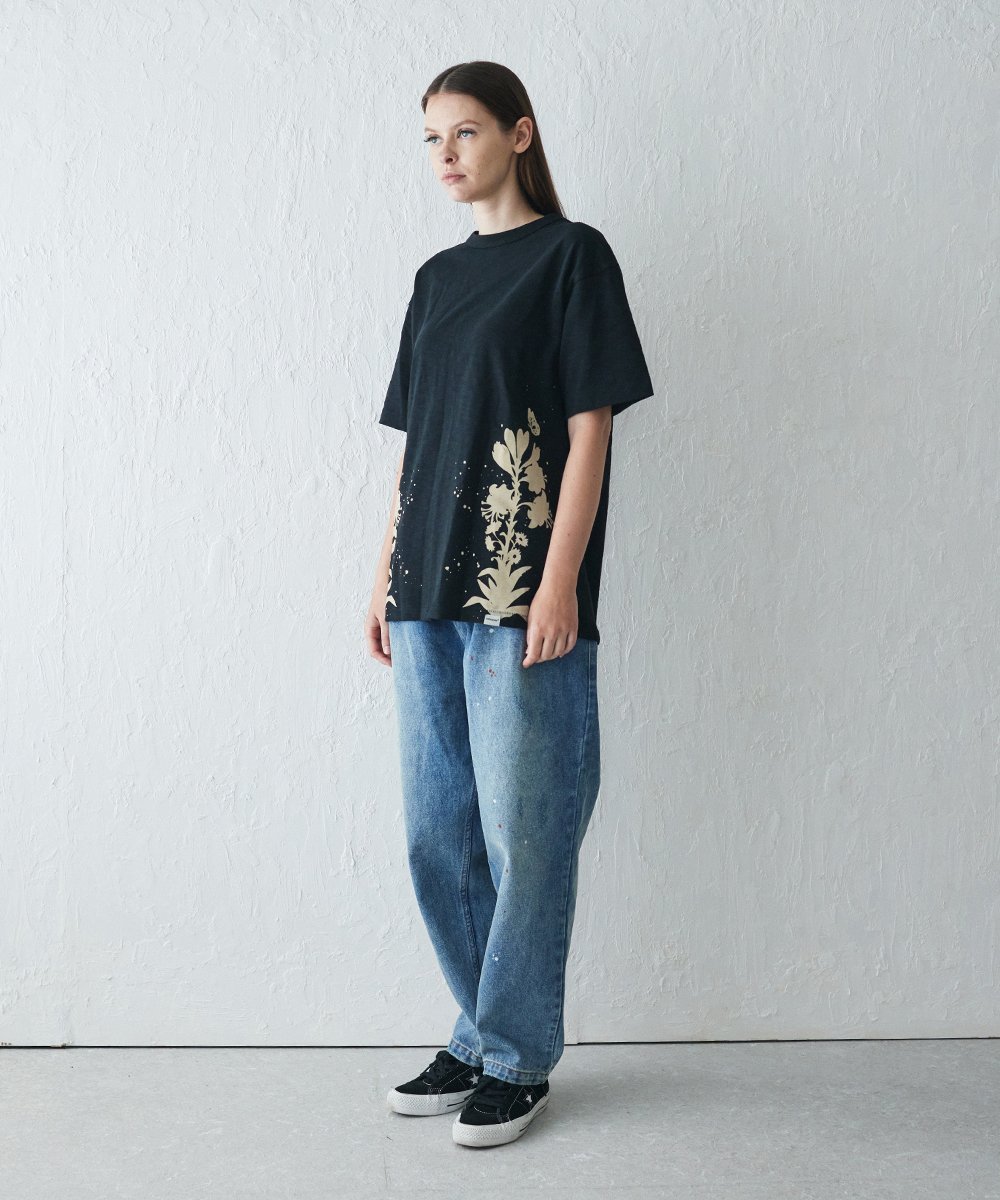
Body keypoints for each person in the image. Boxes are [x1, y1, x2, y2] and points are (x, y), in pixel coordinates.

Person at [365, 61, 654, 1149]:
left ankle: (516, 1054)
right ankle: (479, 1031)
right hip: (424, 591)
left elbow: (590, 425)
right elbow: (417, 447)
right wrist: (381, 575)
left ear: (519, 135)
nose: (446, 155)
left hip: (518, 591)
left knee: (526, 834)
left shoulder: (572, 257)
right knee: (438, 834)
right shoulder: (436, 279)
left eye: (467, 132)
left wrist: (561, 578)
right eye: (431, 138)